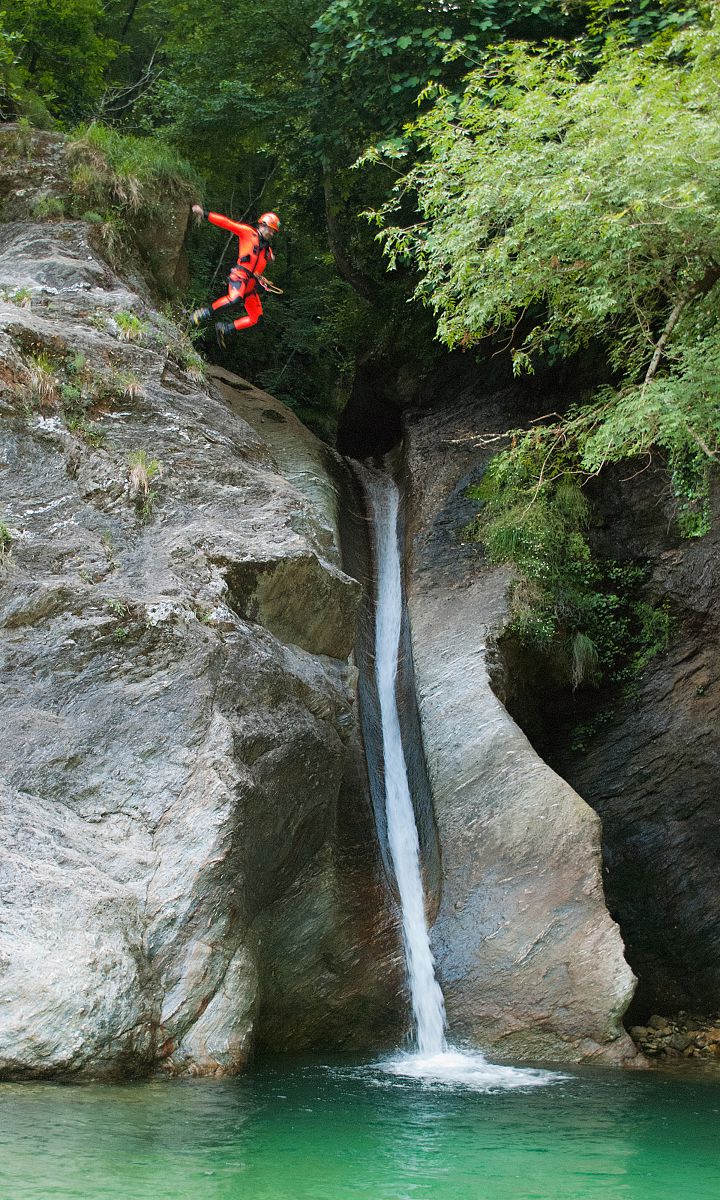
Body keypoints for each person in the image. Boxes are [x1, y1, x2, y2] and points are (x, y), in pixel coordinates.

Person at [190, 206, 280, 343]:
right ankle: (203, 312)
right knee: (234, 299)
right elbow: (227, 223)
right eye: (270, 230)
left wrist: (268, 261)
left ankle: (225, 328)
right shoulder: (248, 233)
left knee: (257, 319)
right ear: (262, 225)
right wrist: (205, 214)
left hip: (251, 285)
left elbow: (260, 262)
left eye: (274, 232)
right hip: (239, 277)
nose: (272, 234)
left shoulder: (267, 250)